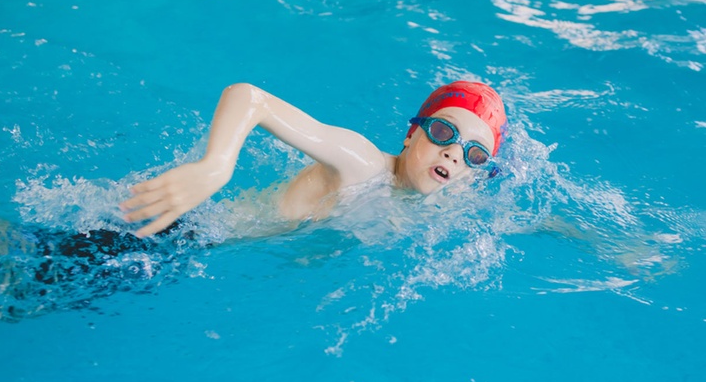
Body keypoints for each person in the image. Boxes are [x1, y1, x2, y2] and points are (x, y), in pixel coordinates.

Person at [120, 81, 507, 238]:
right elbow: (250, 98)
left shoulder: (447, 201)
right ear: (411, 135)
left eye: (474, 154)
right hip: (178, 233)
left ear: (472, 175)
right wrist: (216, 165)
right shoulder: (363, 163)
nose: (453, 153)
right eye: (443, 132)